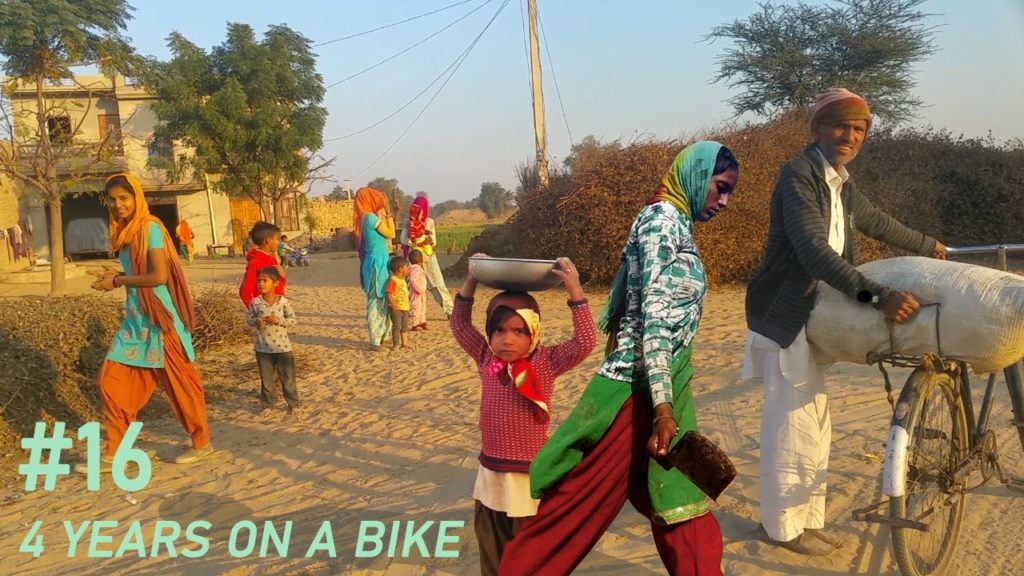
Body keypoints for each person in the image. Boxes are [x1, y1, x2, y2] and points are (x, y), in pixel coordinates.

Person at [499, 141, 740, 576]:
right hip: (636, 387)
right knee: (578, 504)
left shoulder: (678, 225)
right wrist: (663, 408)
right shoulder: (660, 224)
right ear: (698, 177)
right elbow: (653, 318)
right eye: (719, 188)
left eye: (729, 193)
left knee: (677, 497)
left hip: (662, 380)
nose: (723, 201)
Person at [744, 88, 947, 556]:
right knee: (790, 421)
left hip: (816, 312)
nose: (849, 135)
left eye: (858, 129)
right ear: (816, 129)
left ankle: (806, 521)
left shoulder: (839, 181)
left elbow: (876, 222)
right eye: (840, 125)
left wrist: (927, 243)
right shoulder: (799, 174)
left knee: (815, 420)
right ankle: (780, 528)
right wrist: (876, 297)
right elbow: (813, 249)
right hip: (784, 312)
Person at [451, 255, 596, 576]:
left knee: (530, 550)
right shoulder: (486, 357)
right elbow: (460, 325)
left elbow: (585, 341)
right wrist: (472, 278)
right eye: (499, 330)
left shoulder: (546, 361)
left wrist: (574, 290)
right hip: (491, 472)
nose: (508, 339)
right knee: (490, 543)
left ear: (534, 331)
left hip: (529, 477)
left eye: (519, 330)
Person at [79, 173, 214, 472]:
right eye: (112, 200)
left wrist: (117, 280)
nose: (118, 205)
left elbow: (158, 277)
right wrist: (116, 272)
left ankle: (201, 443)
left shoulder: (150, 227)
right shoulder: (127, 232)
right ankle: (116, 450)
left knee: (181, 387)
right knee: (111, 383)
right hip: (136, 321)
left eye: (124, 198)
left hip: (160, 321)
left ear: (136, 198)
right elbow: (138, 271)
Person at [246, 266, 299, 415]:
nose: (261, 284)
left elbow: (293, 320)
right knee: (267, 379)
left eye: (265, 280)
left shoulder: (283, 302)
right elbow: (248, 320)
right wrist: (256, 321)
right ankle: (268, 404)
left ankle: (293, 404)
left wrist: (278, 320)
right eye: (259, 281)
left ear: (275, 283)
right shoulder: (255, 302)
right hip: (263, 348)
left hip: (283, 348)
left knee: (287, 378)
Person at [353, 187, 396, 350]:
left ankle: (383, 333)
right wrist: (388, 213)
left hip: (375, 262)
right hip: (376, 265)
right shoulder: (370, 218)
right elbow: (391, 233)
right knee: (375, 300)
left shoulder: (362, 219)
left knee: (382, 299)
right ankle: (375, 339)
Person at [400, 193, 454, 319]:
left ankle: (449, 310)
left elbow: (433, 240)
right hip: (413, 256)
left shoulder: (429, 222)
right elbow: (403, 239)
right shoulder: (408, 221)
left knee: (437, 283)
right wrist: (415, 241)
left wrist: (422, 240)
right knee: (410, 283)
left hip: (428, 255)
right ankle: (408, 310)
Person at [239, 222, 287, 308]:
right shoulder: (256, 262)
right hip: (265, 310)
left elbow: (276, 283)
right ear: (268, 240)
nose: (279, 242)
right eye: (277, 239)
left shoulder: (271, 259)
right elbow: (245, 291)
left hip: (277, 307)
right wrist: (257, 310)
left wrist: (283, 276)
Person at [385, 255, 411, 350]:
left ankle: (405, 343)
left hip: (405, 307)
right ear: (400, 269)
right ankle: (396, 344)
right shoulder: (393, 280)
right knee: (396, 326)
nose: (407, 268)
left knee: (404, 326)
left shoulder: (403, 280)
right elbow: (389, 293)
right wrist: (393, 304)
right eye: (406, 267)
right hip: (396, 308)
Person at [408, 249, 429, 331]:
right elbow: (412, 279)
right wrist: (419, 289)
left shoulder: (418, 268)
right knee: (416, 307)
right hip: (416, 292)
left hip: (421, 291)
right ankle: (415, 324)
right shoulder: (415, 269)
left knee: (422, 307)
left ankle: (422, 322)